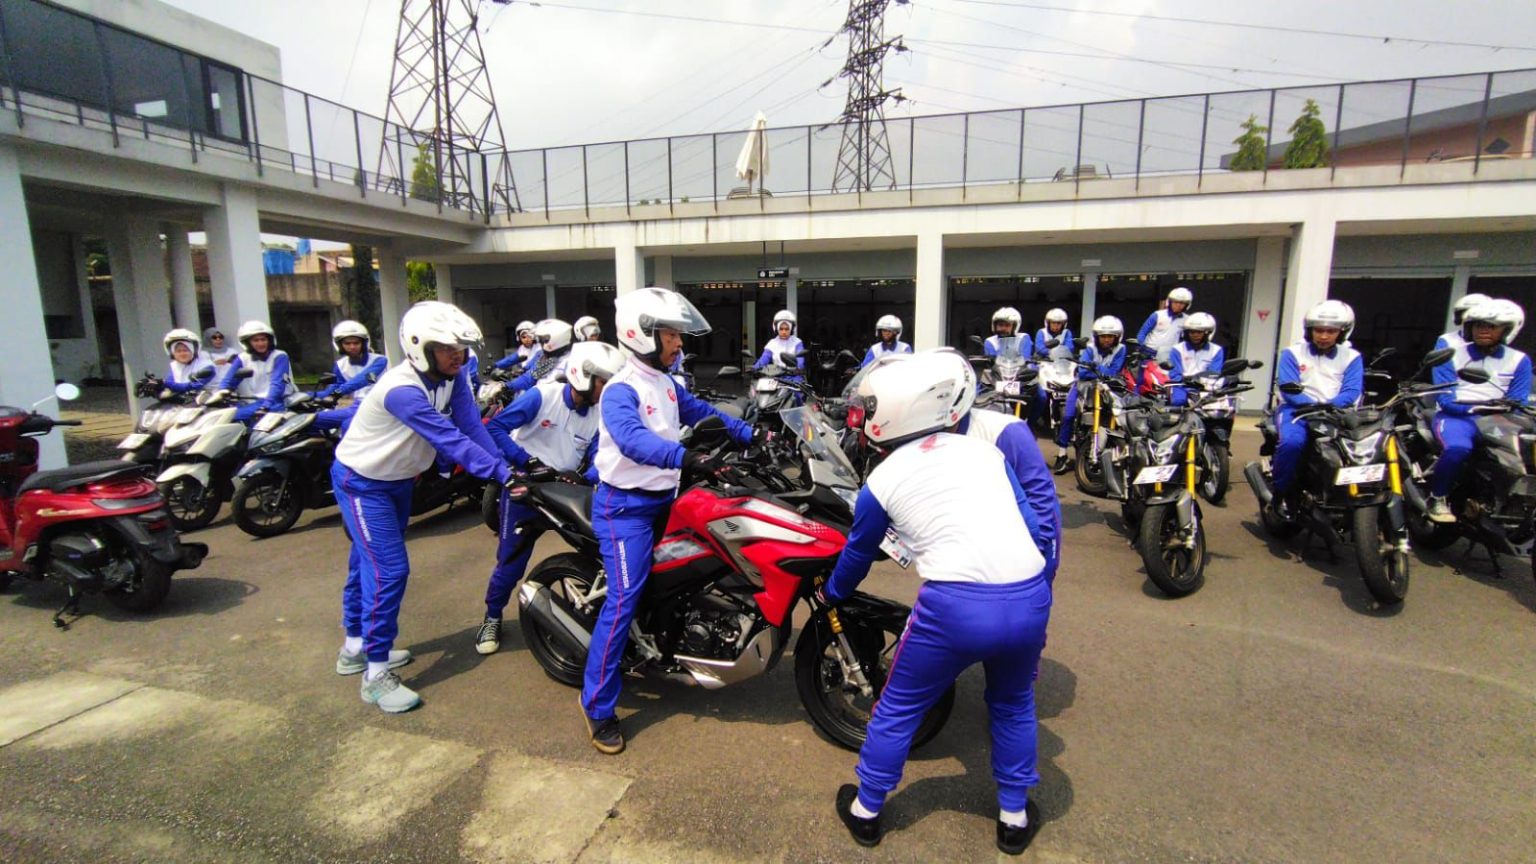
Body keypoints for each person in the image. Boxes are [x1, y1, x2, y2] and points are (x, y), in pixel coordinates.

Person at [824, 351, 1052, 855]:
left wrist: (832, 593)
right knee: (1014, 706)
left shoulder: (880, 481)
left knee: (899, 707)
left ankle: (866, 811)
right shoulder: (986, 453)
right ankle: (1013, 818)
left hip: (955, 607)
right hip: (1030, 595)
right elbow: (1035, 529)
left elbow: (858, 557)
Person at [580, 287, 758, 754]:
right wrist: (687, 457)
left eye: (678, 335)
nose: (678, 344)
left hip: (667, 500)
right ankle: (597, 707)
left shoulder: (664, 382)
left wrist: (750, 432)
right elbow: (633, 440)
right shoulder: (621, 389)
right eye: (671, 336)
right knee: (624, 599)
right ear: (642, 335)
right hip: (626, 510)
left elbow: (701, 411)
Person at [332, 301, 513, 714]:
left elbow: (471, 427)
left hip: (397, 483)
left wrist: (504, 468)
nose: (459, 356)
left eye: (462, 348)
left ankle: (354, 648)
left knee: (366, 563)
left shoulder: (456, 377)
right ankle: (375, 673)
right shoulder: (401, 390)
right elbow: (449, 439)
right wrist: (501, 475)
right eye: (448, 348)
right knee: (388, 569)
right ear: (418, 347)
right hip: (363, 484)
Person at [474, 341, 624, 655]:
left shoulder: (601, 413)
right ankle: (492, 616)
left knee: (598, 552)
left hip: (565, 493)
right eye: (603, 381)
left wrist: (585, 477)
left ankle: (596, 613)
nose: (607, 388)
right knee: (510, 563)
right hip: (525, 491)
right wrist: (525, 461)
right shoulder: (542, 396)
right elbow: (497, 428)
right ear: (582, 376)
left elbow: (601, 456)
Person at [1425, 299, 1530, 523]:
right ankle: (1437, 497)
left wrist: (1502, 408)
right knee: (1457, 449)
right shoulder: (1451, 352)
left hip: (1499, 418)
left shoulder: (1519, 359)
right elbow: (1446, 398)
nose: (1483, 329)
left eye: (1491, 325)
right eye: (1478, 324)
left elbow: (1518, 398)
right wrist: (1475, 407)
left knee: (1524, 453)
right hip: (1457, 417)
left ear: (1507, 330)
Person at [1269, 300, 1364, 518]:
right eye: (1318, 330)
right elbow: (1288, 388)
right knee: (1292, 444)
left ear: (1341, 332)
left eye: (1330, 331)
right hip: (1296, 412)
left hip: (1335, 414)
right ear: (1309, 330)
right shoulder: (1292, 353)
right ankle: (1281, 493)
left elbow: (1351, 390)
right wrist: (1310, 404)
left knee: (1357, 450)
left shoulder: (1352, 357)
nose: (1323, 336)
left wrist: (1332, 406)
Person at [1053, 316, 1127, 473]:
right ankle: (1062, 453)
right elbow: (1084, 372)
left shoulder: (1121, 349)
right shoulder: (1090, 348)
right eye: (1103, 336)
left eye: (1110, 336)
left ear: (1117, 337)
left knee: (1120, 416)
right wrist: (1101, 372)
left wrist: (1097, 370)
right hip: (1083, 386)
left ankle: (1116, 452)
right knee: (1068, 415)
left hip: (1109, 387)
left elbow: (1114, 371)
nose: (1106, 340)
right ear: (1097, 337)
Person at [217, 320, 297, 424]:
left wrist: (266, 405)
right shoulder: (243, 358)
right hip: (256, 402)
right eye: (256, 340)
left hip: (279, 401)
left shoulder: (279, 356)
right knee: (226, 417)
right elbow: (228, 380)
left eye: (263, 339)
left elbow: (277, 384)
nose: (260, 343)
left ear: (269, 340)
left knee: (235, 417)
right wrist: (221, 393)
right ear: (248, 342)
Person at [318, 320, 388, 402]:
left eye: (356, 343)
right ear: (340, 345)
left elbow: (363, 379)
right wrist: (308, 396)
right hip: (358, 406)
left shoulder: (379, 360)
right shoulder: (340, 365)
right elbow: (331, 390)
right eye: (347, 343)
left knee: (319, 415)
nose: (352, 347)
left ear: (364, 343)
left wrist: (337, 393)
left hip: (381, 404)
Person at [1167, 312, 1225, 407]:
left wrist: (1201, 382)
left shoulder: (1216, 350)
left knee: (1219, 408)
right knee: (1178, 402)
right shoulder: (1177, 349)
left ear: (1207, 333)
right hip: (1182, 386)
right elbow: (1174, 373)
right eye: (1192, 332)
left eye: (1199, 332)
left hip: (1206, 387)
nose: (1195, 335)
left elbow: (1214, 373)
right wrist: (1186, 380)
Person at [506, 318, 575, 393]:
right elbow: (529, 378)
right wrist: (505, 386)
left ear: (553, 340)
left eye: (542, 340)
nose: (541, 344)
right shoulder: (550, 360)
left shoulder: (570, 362)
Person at [1137, 287, 1192, 361]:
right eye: (1175, 302)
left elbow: (1185, 339)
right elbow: (1142, 332)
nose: (1178, 305)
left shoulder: (1187, 320)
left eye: (1182, 303)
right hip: (1149, 352)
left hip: (1169, 354)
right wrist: (1141, 347)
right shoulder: (1157, 315)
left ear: (1187, 305)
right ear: (1170, 302)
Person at [161, 328, 216, 393]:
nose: (182, 354)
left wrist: (164, 383)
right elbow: (170, 385)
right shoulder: (174, 366)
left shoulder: (207, 366)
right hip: (186, 401)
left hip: (211, 400)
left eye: (185, 350)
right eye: (178, 351)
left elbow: (192, 387)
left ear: (194, 350)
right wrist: (156, 386)